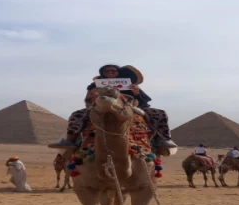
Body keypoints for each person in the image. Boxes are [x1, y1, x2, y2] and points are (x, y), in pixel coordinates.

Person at [49, 64, 177, 154]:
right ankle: (70, 140)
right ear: (103, 74)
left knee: (160, 113)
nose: (110, 72)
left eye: (113, 71)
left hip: (129, 105)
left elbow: (144, 101)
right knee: (77, 115)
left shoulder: (130, 84)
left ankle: (163, 139)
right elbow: (87, 101)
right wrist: (92, 94)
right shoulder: (94, 85)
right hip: (101, 105)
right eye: (107, 71)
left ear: (118, 73)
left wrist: (136, 92)